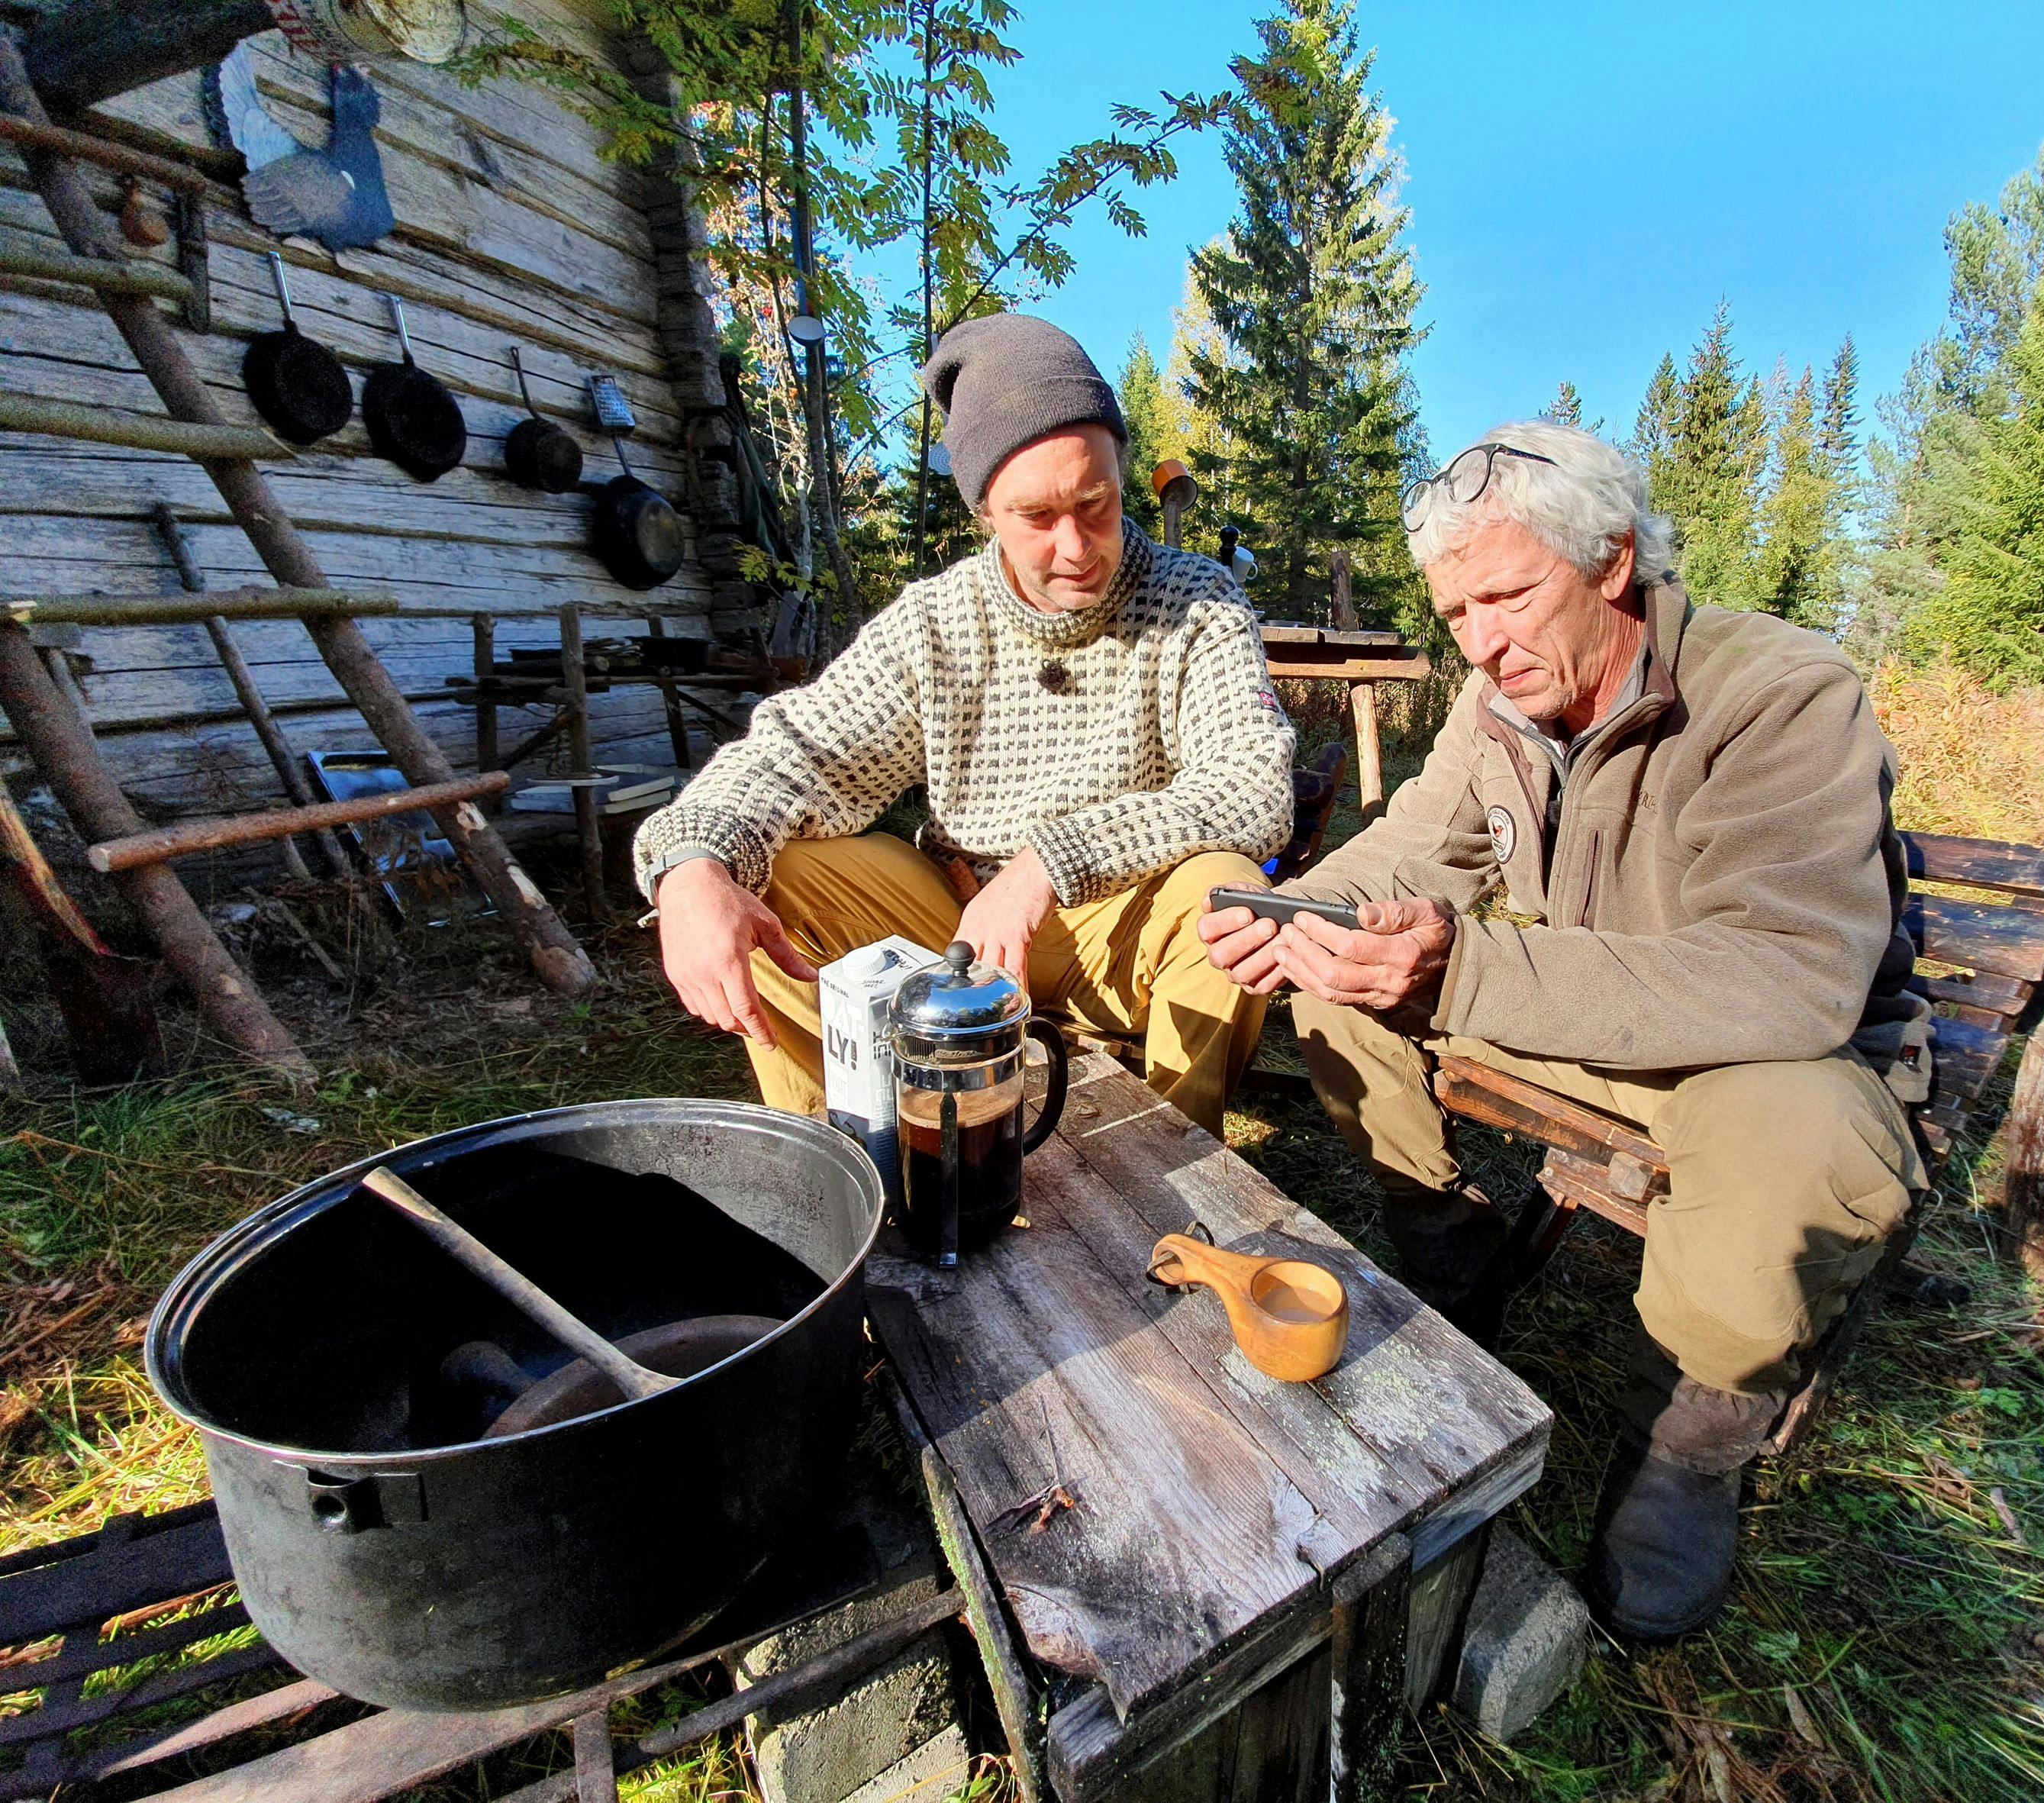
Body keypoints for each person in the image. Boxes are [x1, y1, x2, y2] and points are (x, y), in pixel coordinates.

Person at [1198, 420, 1930, 1639]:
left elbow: (1791, 976)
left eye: (1507, 595)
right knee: (1338, 983)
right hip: (1591, 1015)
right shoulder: (1497, 711)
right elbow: (1411, 847)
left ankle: (1691, 1442)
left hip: (1756, 1052)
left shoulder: (1778, 692)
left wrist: (1471, 967)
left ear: (1611, 562)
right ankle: (1449, 1252)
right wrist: (1305, 916)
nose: (1481, 641)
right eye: (1455, 614)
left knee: (1797, 1139)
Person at [637, 314, 1294, 1140]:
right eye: (1036, 516)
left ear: (1123, 471)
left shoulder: (1196, 601)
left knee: (1229, 897)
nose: (1077, 546)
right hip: (950, 923)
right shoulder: (937, 624)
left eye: (1096, 502)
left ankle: (1165, 1168)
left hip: (1123, 928)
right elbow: (793, 755)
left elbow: (1252, 792)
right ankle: (850, 1158)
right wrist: (691, 866)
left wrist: (1049, 864)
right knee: (763, 876)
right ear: (985, 507)